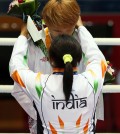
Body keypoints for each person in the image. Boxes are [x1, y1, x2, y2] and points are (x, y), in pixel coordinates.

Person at [10, 0, 104, 133]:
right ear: (46, 23)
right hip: (43, 123)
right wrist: (41, 112)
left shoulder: (83, 42)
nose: (64, 35)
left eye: (69, 29)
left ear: (74, 23)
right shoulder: (34, 45)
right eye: (57, 30)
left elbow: (16, 68)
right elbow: (19, 90)